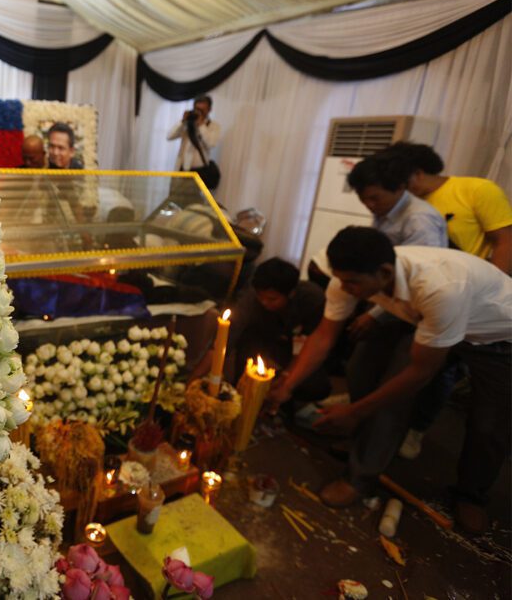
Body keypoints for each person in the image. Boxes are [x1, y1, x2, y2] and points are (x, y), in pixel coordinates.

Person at [268, 227, 512, 534]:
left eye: (352, 282)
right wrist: (287, 385)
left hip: (499, 339)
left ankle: (471, 496)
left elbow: (420, 372)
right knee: (366, 373)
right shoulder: (351, 278)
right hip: (435, 322)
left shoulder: (440, 287)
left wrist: (354, 412)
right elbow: (323, 337)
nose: (344, 288)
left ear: (384, 273)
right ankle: (361, 470)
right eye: (340, 279)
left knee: (489, 424)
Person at [346, 154, 450, 458]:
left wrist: (375, 315)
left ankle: (369, 462)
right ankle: (357, 435)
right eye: (364, 198)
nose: (369, 205)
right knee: (359, 371)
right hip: (391, 305)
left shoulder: (420, 220)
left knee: (395, 388)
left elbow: (418, 279)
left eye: (374, 198)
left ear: (399, 188)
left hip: (420, 313)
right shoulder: (386, 210)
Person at [194, 258, 329, 403]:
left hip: (294, 348)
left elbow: (311, 344)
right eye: (260, 296)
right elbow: (223, 341)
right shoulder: (250, 299)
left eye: (272, 299)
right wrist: (195, 378)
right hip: (260, 342)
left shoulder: (311, 298)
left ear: (291, 293)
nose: (264, 302)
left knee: (316, 386)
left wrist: (287, 378)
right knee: (247, 383)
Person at [390, 142, 512, 273]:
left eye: (400, 181)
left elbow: (506, 240)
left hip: (465, 277)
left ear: (418, 174)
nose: (397, 188)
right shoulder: (400, 202)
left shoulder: (477, 189)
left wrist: (494, 281)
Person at [167, 94, 221, 172]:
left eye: (202, 110)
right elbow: (169, 136)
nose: (199, 112)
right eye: (197, 109)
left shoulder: (214, 126)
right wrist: (182, 121)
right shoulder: (188, 123)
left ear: (209, 109)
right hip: (182, 168)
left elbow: (211, 144)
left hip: (200, 170)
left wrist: (201, 125)